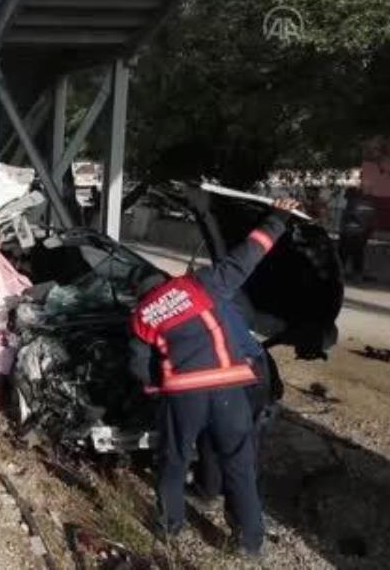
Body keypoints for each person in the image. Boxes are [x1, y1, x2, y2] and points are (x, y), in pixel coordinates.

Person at [129, 197, 301, 559]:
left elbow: (140, 363)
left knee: (173, 460)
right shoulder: (200, 285)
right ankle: (250, 542)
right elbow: (248, 255)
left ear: (139, 292)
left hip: (184, 394)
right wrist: (278, 218)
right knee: (239, 464)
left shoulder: (142, 315)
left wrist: (153, 392)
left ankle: (169, 527)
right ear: (164, 280)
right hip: (229, 387)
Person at [339, 187, 376, 280]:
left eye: (347, 195)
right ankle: (355, 273)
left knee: (347, 254)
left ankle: (351, 273)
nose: (345, 198)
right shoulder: (365, 205)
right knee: (356, 254)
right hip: (356, 234)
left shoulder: (353, 205)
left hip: (353, 234)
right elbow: (371, 221)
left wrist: (343, 231)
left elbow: (348, 220)